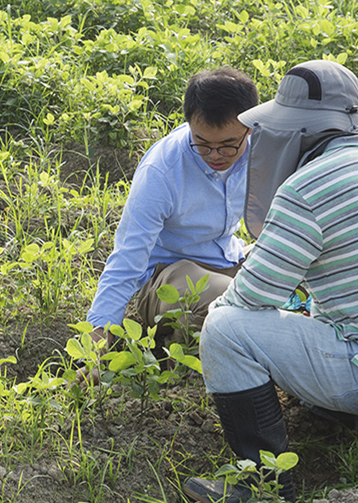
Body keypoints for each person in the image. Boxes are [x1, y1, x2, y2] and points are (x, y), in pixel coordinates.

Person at [184, 60, 358, 503]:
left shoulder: (307, 187)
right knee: (327, 312)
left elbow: (253, 295)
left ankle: (263, 486)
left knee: (225, 328)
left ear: (296, 131)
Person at [84, 66, 259, 351]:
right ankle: (179, 353)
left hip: (230, 257)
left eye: (228, 145)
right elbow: (128, 257)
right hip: (168, 276)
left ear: (250, 128)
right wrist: (95, 340)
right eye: (202, 144)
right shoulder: (163, 170)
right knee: (226, 300)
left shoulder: (263, 150)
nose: (214, 156)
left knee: (300, 270)